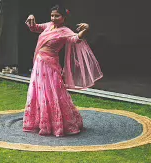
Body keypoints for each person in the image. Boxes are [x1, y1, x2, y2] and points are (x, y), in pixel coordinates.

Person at [23, 5, 103, 137]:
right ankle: (41, 121)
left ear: (64, 18)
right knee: (38, 92)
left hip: (50, 65)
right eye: (52, 15)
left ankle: (58, 123)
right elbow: (34, 28)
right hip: (39, 64)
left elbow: (76, 39)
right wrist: (31, 18)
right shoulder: (48, 26)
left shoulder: (65, 31)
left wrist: (86, 30)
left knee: (53, 92)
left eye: (57, 16)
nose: (53, 18)